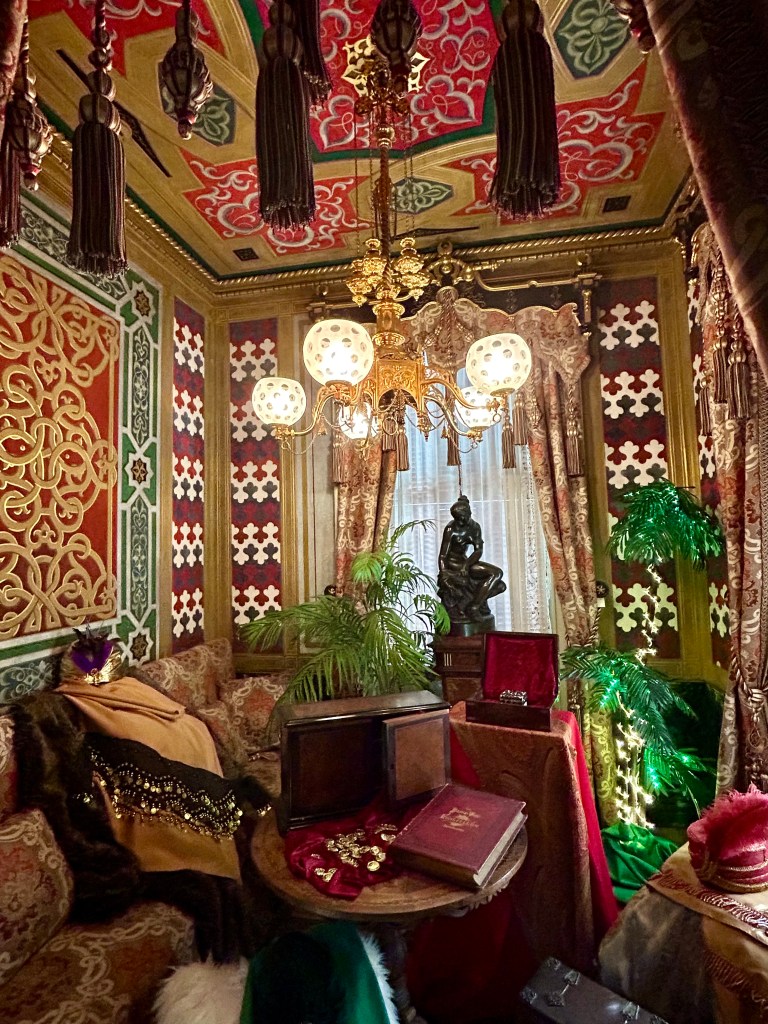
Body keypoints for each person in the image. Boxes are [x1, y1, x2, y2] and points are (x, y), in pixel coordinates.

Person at [437, 495, 506, 626]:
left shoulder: (475, 527)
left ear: (468, 513)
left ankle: (473, 605)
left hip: (466, 562)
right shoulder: (451, 529)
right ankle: (473, 607)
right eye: (457, 519)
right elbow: (443, 556)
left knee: (499, 581)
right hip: (453, 564)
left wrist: (466, 565)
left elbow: (478, 551)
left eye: (461, 518)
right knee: (497, 575)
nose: (459, 522)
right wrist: (444, 573)